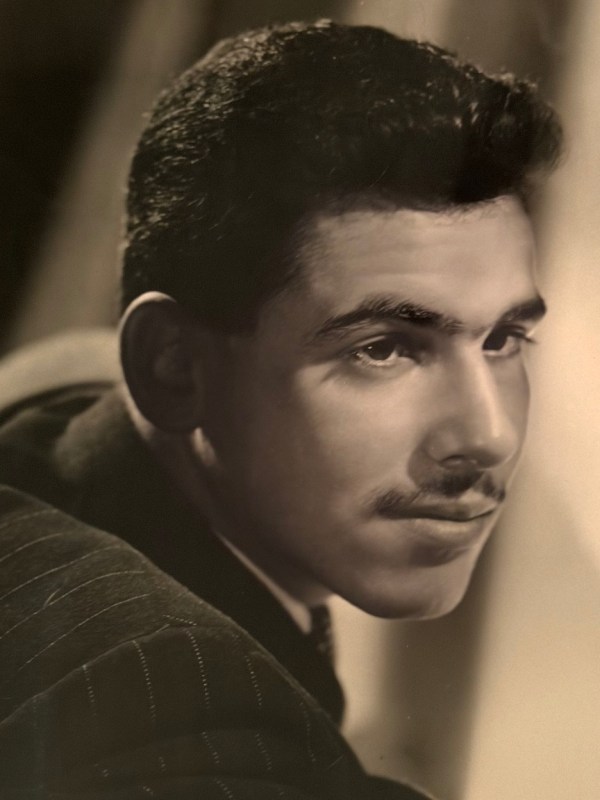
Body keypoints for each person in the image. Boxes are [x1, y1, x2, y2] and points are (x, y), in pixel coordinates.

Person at [0, 19, 562, 799]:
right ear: (173, 369)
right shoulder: (187, 718)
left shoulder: (49, 429)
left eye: (503, 339)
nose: (489, 435)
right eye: (383, 349)